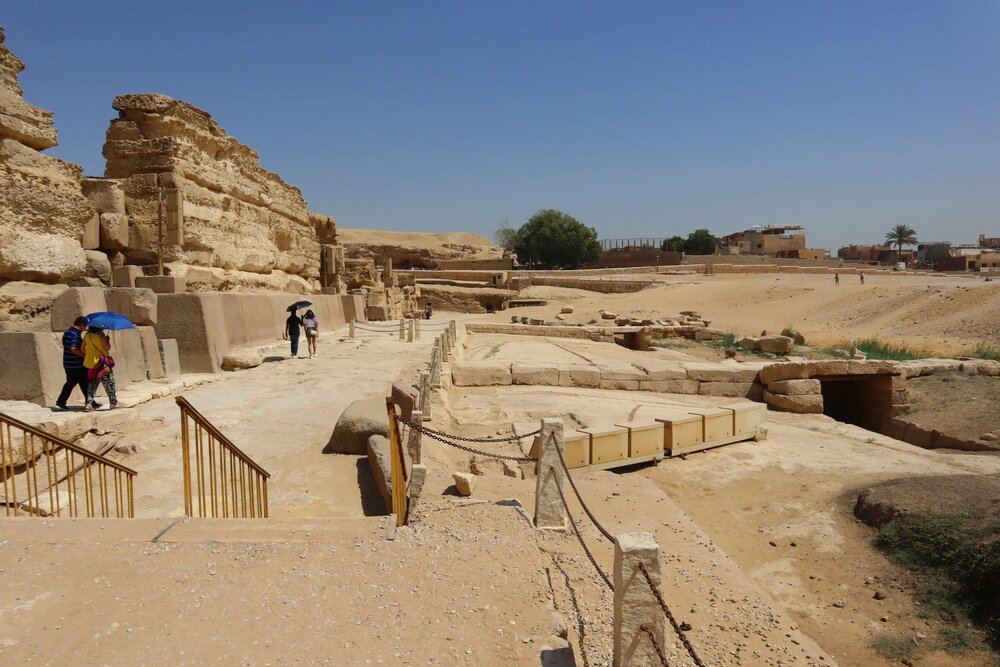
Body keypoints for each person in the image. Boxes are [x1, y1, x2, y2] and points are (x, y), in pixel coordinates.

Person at [56, 316, 96, 410]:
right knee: (85, 383)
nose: (86, 328)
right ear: (81, 325)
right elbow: (73, 348)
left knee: (73, 383)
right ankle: (89, 403)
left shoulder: (67, 332)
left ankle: (61, 402)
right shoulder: (75, 334)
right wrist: (84, 356)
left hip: (68, 363)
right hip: (76, 364)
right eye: (85, 326)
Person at [81, 327, 118, 410]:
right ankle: (113, 403)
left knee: (92, 384)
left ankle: (89, 404)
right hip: (102, 364)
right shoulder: (100, 334)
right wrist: (107, 340)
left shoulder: (87, 335)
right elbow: (107, 348)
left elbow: (82, 348)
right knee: (109, 383)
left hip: (92, 364)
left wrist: (91, 354)